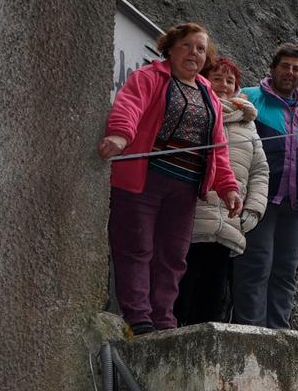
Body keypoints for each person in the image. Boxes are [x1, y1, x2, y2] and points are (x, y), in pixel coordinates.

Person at [100, 22, 242, 335]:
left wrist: (229, 187)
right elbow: (129, 106)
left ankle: (164, 320)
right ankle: (138, 318)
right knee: (135, 248)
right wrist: (122, 137)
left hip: (185, 188)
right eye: (188, 45)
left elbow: (217, 148)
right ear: (171, 48)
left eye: (201, 49)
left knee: (173, 257)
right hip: (144, 179)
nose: (194, 53)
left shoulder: (210, 97)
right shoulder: (150, 77)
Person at [232, 42, 298, 328]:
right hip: (260, 198)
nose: (290, 72)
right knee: (254, 267)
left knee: (286, 271)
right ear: (273, 67)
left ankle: (278, 333)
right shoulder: (250, 98)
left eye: (297, 68)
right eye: (285, 66)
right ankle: (250, 331)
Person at [174, 54, 268, 326]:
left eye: (230, 81)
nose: (224, 85)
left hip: (228, 220)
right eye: (218, 79)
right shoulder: (193, 107)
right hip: (190, 217)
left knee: (213, 295)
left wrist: (254, 207)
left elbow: (260, 169)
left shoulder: (247, 124)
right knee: (182, 288)